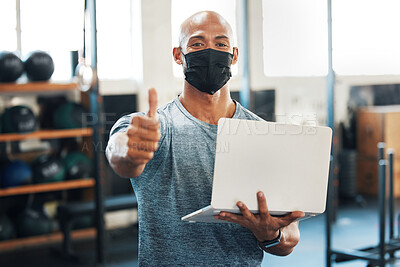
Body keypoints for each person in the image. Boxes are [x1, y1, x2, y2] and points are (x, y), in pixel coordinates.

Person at [106, 11, 304, 266]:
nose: (210, 52)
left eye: (221, 44)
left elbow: (289, 239)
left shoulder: (262, 135)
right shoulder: (153, 127)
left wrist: (270, 234)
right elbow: (119, 151)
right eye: (197, 44)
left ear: (234, 55)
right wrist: (130, 150)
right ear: (178, 55)